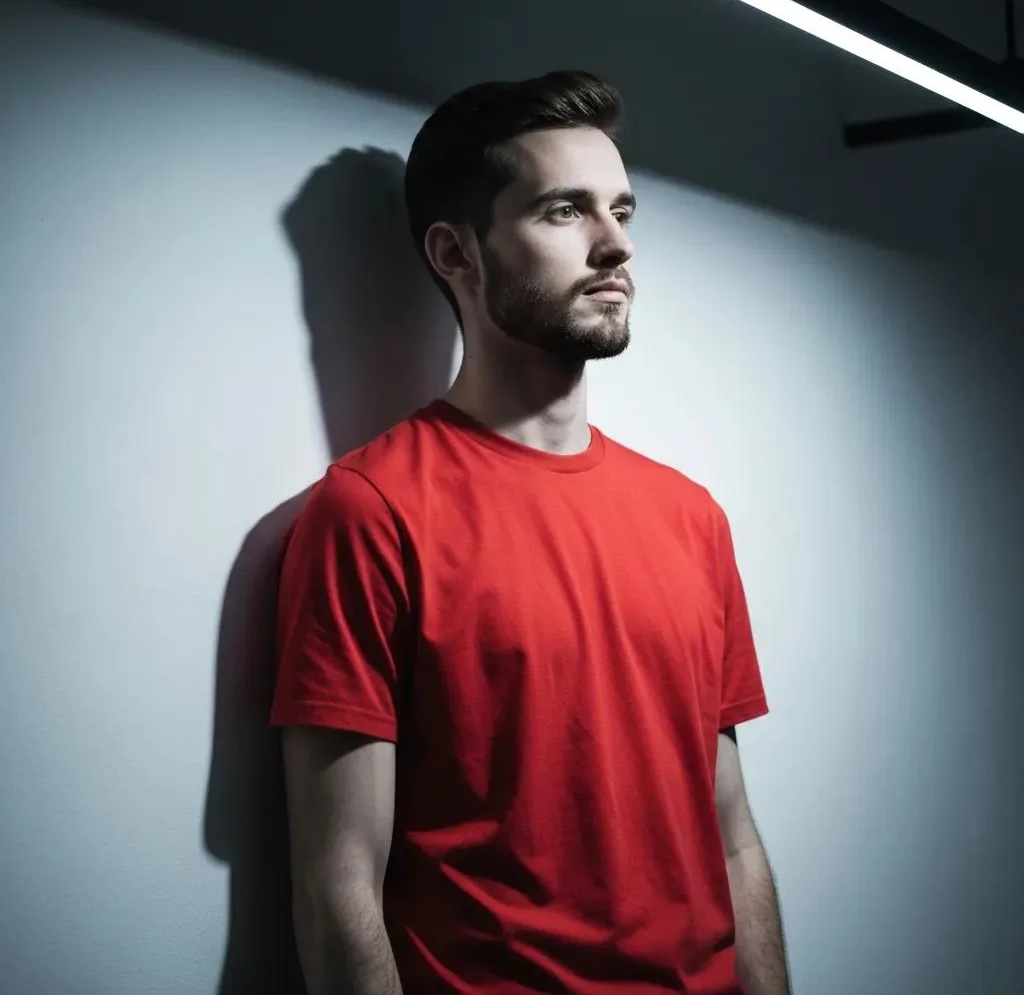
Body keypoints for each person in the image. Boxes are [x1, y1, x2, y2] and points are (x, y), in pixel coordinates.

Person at [271, 70, 791, 995]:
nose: (616, 244)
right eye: (564, 211)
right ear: (456, 254)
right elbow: (336, 883)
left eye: (622, 210)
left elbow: (735, 838)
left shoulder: (690, 517)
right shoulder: (370, 511)